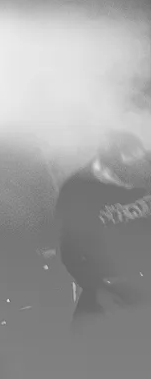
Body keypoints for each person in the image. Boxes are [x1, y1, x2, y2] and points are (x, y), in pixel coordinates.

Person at [56, 130, 151, 327]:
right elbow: (71, 254)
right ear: (106, 167)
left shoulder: (143, 168)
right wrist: (98, 289)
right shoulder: (77, 192)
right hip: (112, 287)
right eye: (129, 174)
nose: (140, 178)